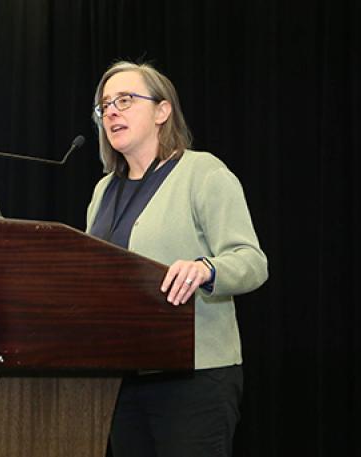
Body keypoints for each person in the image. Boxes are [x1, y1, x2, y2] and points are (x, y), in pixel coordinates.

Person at [86, 61, 268, 457]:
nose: (112, 112)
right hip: (121, 380)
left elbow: (252, 261)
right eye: (105, 106)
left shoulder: (202, 172)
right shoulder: (103, 191)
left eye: (126, 100)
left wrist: (206, 268)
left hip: (194, 380)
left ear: (162, 111)